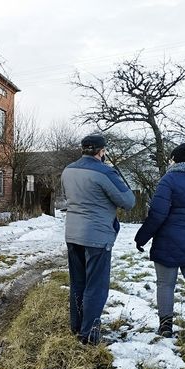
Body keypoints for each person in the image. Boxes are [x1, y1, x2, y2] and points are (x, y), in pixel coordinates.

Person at [61, 133, 135, 344]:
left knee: (78, 283)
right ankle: (89, 335)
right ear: (102, 152)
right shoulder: (105, 172)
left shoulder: (68, 170)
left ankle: (76, 328)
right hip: (97, 236)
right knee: (96, 286)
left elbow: (69, 196)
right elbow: (128, 201)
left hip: (72, 233)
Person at [134, 143, 185, 338]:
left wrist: (142, 238)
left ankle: (165, 326)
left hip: (168, 242)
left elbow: (157, 214)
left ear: (176, 160)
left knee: (165, 285)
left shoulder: (169, 180)